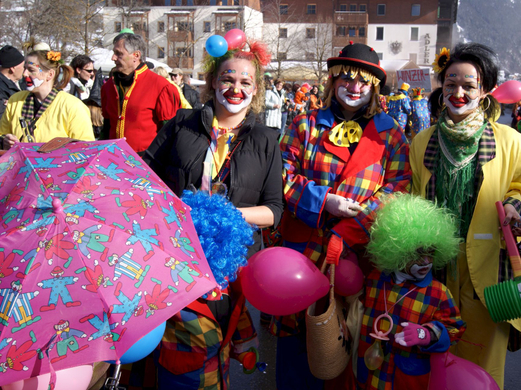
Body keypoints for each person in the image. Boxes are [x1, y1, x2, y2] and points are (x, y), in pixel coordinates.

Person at [142, 39, 283, 390]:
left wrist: (226, 215)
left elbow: (274, 211)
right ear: (212, 82)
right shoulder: (182, 123)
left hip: (229, 265)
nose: (235, 88)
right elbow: (144, 175)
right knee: (172, 352)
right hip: (174, 257)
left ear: (257, 88)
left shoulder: (266, 140)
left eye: (245, 82)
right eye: (227, 78)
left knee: (217, 347)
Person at [274, 42, 411, 390]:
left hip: (357, 252)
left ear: (374, 87)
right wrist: (325, 202)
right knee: (299, 337)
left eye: (363, 81)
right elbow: (281, 174)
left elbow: (399, 186)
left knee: (350, 337)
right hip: (303, 249)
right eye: (346, 78)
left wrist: (356, 222)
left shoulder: (391, 133)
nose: (354, 87)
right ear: (333, 80)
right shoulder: (305, 123)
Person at [410, 43, 521, 390]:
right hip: (435, 267)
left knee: (484, 363)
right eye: (451, 84)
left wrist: (512, 203)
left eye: (469, 85)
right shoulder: (422, 142)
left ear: (485, 91)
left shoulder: (509, 140)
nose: (459, 93)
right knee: (432, 356)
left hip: (489, 270)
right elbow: (414, 196)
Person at [358, 193, 465, 390]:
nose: (426, 261)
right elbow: (356, 313)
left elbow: (455, 328)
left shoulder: (438, 293)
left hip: (405, 380)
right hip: (369, 377)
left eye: (431, 252)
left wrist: (427, 334)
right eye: (417, 253)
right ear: (396, 249)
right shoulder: (374, 280)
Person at [101, 32, 180, 155]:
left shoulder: (161, 86)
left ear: (136, 55)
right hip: (112, 160)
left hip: (146, 161)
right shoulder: (107, 87)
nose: (113, 58)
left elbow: (170, 134)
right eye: (113, 53)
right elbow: (106, 128)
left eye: (119, 53)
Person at [0, 50, 94, 149]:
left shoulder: (73, 106)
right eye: (25, 69)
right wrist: (4, 140)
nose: (25, 74)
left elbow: (85, 148)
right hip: (21, 163)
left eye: (31, 70)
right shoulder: (15, 100)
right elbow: (2, 133)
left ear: (50, 74)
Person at [0, 45, 25, 119]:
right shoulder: (1, 89)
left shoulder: (22, 83)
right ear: (13, 68)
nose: (25, 70)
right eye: (23, 66)